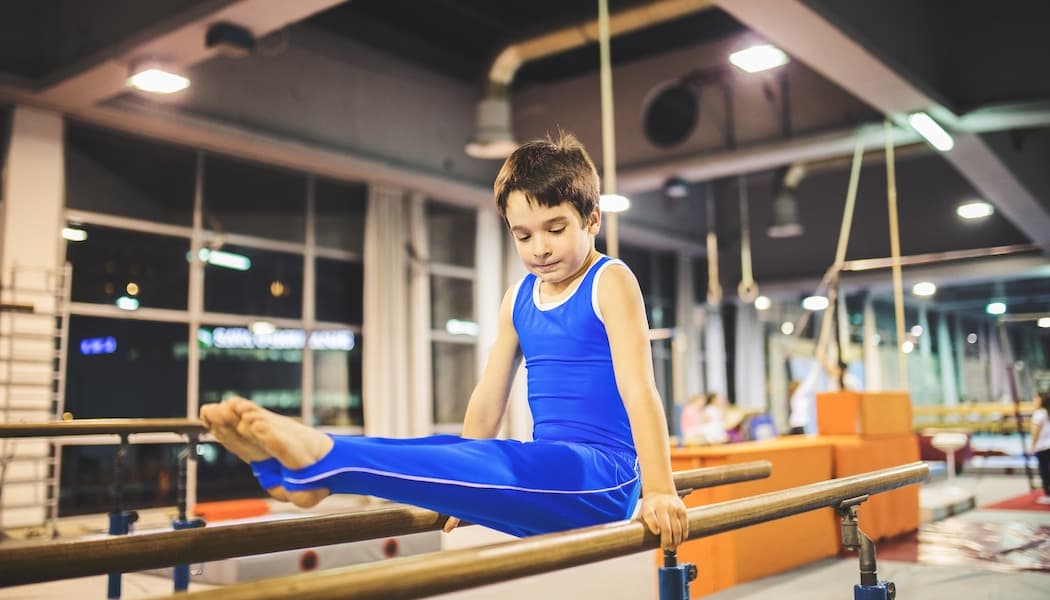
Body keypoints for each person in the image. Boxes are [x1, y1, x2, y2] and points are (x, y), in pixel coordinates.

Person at [199, 132, 688, 549]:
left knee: (506, 461)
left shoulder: (610, 281)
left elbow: (640, 389)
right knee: (445, 447)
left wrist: (660, 488)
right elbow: (488, 395)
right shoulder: (519, 298)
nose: (539, 248)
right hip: (553, 476)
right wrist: (463, 481)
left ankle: (323, 461)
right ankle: (288, 475)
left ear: (593, 219)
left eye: (555, 229)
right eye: (522, 235)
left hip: (605, 479)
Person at [1029, 392, 1050, 504]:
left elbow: (1035, 431)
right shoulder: (1047, 412)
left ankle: (1048, 494)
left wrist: (1032, 446)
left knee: (1044, 471)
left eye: (1035, 398)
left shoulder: (1039, 414)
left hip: (1042, 446)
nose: (1034, 400)